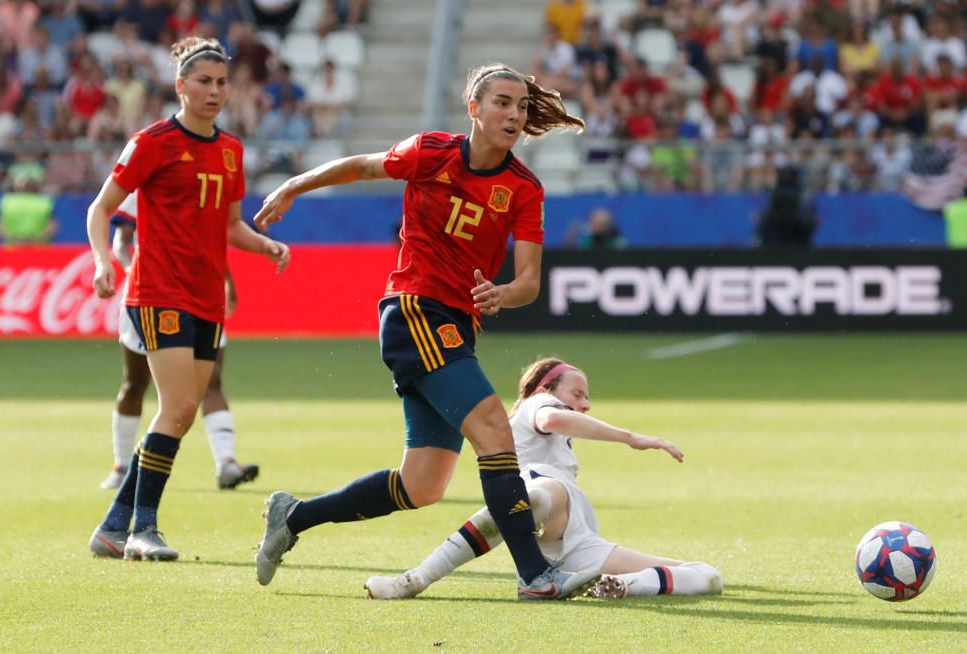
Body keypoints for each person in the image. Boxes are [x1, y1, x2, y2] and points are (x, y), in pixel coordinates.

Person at [251, 63, 597, 600]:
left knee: (423, 485)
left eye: (522, 106)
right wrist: (296, 184)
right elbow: (363, 167)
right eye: (502, 103)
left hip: (457, 323)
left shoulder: (524, 189)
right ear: (474, 109)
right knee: (494, 429)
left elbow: (529, 281)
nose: (514, 114)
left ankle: (294, 516)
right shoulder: (431, 152)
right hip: (415, 309)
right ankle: (536, 575)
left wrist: (504, 293)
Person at [87, 36, 290, 562]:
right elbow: (100, 208)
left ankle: (113, 526)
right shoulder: (152, 141)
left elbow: (229, 227)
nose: (214, 91)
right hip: (158, 291)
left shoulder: (231, 151)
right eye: (203, 81)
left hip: (206, 299)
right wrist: (104, 261)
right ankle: (142, 529)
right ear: (180, 85)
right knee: (176, 407)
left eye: (222, 82)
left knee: (177, 416)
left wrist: (264, 244)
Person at [364, 358, 723, 600]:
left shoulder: (551, 431)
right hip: (544, 501)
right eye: (578, 394)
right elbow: (551, 420)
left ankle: (620, 585)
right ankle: (416, 579)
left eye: (586, 397)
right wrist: (631, 438)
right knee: (533, 496)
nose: (585, 404)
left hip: (577, 538)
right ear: (546, 390)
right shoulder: (537, 406)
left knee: (708, 576)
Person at [99, 190, 262, 492]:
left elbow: (211, 242)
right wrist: (132, 268)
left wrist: (227, 279)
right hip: (150, 295)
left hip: (200, 294)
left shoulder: (206, 183)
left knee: (212, 381)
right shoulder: (144, 185)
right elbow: (121, 241)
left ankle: (226, 462)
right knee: (135, 382)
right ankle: (122, 467)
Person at [0, 174, 57, 245]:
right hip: (38, 249)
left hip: (12, 248)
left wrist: (15, 238)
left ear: (17, 187)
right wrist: (35, 239)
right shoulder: (44, 202)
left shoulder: (6, 201)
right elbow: (52, 227)